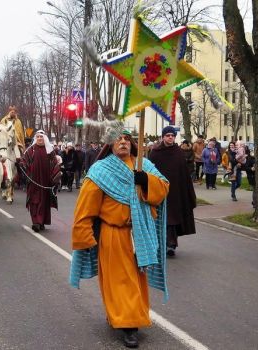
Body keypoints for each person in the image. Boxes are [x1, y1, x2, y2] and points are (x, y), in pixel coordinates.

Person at [70, 125, 169, 349]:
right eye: (118, 139)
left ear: (132, 143)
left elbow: (163, 188)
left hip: (141, 232)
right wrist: (84, 236)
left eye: (126, 138)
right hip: (114, 234)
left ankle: (128, 316)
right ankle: (129, 325)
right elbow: (85, 208)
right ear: (110, 144)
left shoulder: (145, 164)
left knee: (136, 280)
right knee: (120, 281)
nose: (123, 142)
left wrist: (146, 181)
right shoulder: (100, 170)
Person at [149, 126, 196, 257]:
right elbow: (150, 171)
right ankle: (162, 243)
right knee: (161, 218)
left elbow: (184, 173)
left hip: (176, 191)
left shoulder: (179, 152)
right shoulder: (155, 153)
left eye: (172, 135)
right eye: (168, 135)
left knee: (173, 218)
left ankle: (171, 244)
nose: (170, 137)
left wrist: (187, 191)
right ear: (163, 137)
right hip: (160, 190)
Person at [21, 130, 61, 233]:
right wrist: (20, 165)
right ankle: (36, 222)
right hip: (33, 181)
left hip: (45, 182)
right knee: (34, 201)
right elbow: (24, 162)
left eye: (41, 137)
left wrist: (55, 178)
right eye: (38, 137)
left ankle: (41, 222)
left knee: (44, 202)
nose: (39, 138)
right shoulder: (31, 150)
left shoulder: (50, 151)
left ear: (45, 139)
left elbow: (55, 165)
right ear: (35, 138)